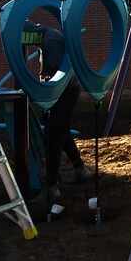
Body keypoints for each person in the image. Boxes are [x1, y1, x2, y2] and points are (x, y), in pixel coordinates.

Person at [37, 26, 91, 201]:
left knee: (53, 135)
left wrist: (41, 86)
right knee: (62, 131)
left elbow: (53, 68)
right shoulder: (49, 37)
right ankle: (80, 169)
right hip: (66, 89)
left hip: (63, 90)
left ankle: (52, 184)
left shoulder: (50, 40)